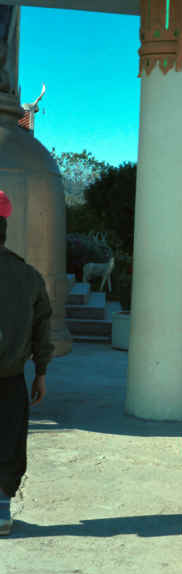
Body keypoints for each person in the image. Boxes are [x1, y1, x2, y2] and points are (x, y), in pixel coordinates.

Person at [0, 190, 54, 536]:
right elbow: (42, 327)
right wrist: (42, 373)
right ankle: (1, 509)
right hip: (11, 377)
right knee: (8, 441)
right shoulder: (28, 276)